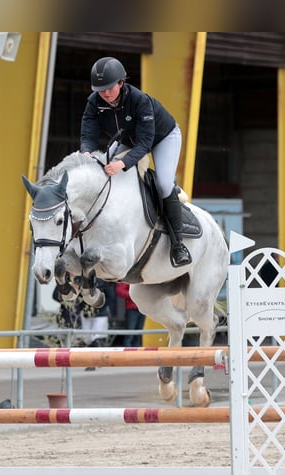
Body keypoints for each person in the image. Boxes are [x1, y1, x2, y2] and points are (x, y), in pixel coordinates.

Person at [79, 56, 192, 267]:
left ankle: (179, 245)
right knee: (102, 172)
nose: (104, 93)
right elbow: (88, 135)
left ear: (121, 83)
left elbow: (145, 143)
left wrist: (122, 164)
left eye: (109, 87)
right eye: (100, 88)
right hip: (128, 140)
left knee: (164, 184)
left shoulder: (140, 101)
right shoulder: (94, 103)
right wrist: (86, 153)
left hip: (162, 138)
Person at [115, 282, 146, 347]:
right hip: (132, 308)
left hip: (143, 308)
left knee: (139, 332)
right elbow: (119, 291)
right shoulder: (130, 279)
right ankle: (127, 353)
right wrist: (132, 295)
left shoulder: (144, 280)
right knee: (130, 332)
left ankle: (137, 354)